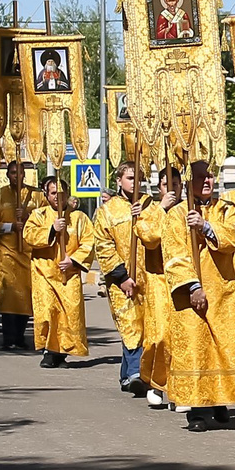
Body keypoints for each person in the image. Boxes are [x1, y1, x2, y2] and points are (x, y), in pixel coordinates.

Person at [159, 161, 235, 430]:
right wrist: (192, 287)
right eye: (200, 177)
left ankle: (219, 401)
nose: (207, 181)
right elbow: (174, 254)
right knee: (195, 349)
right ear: (189, 181)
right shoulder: (177, 213)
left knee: (220, 349)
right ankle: (197, 411)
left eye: (210, 176)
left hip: (222, 291)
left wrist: (205, 227)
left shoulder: (226, 209)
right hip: (190, 294)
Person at [22, 175, 96, 368]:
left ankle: (62, 352)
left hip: (68, 274)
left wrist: (73, 260)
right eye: (53, 193)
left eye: (61, 193)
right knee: (47, 311)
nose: (57, 197)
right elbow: (28, 236)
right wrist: (52, 230)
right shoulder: (38, 215)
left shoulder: (79, 217)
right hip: (44, 272)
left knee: (68, 313)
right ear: (46, 195)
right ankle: (49, 350)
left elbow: (89, 242)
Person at [91, 163, 153, 393]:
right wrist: (121, 277)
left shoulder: (149, 204)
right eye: (129, 178)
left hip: (149, 277)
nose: (133, 182)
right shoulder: (108, 210)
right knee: (130, 323)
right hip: (122, 280)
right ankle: (137, 372)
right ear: (119, 181)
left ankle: (128, 374)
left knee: (146, 326)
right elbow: (104, 246)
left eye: (138, 178)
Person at [132, 167, 180, 407]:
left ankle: (180, 387)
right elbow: (149, 239)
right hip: (159, 280)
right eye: (165, 184)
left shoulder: (188, 210)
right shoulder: (149, 211)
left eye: (175, 184)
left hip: (184, 280)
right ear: (159, 187)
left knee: (183, 336)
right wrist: (162, 208)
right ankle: (156, 381)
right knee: (160, 334)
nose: (171, 189)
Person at [0, 160, 37, 347]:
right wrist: (10, 226)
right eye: (13, 172)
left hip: (28, 252)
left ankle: (20, 336)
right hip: (7, 251)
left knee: (24, 295)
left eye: (20, 173)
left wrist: (29, 219)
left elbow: (46, 218)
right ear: (8, 175)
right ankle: (8, 337)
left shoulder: (36, 196)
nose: (17, 176)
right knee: (8, 294)